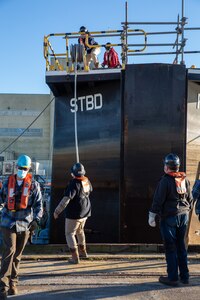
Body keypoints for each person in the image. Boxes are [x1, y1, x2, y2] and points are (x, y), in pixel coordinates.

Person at [0, 154, 43, 299]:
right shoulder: (7, 183)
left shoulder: (34, 185)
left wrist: (36, 220)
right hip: (8, 222)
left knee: (17, 255)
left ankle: (13, 283)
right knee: (9, 252)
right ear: (16, 167)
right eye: (20, 167)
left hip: (25, 224)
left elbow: (39, 206)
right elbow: (1, 199)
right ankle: (3, 286)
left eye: (24, 168)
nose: (22, 170)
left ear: (29, 169)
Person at [148, 153, 193, 287]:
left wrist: (152, 215)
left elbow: (158, 199)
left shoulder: (165, 181)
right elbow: (190, 199)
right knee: (181, 246)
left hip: (169, 217)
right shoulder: (185, 180)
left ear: (167, 167)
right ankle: (184, 276)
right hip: (183, 216)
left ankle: (173, 277)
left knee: (171, 247)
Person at [54, 162, 92, 264]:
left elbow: (66, 200)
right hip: (85, 212)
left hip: (75, 213)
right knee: (80, 231)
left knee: (69, 233)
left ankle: (75, 258)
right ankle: (83, 252)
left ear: (73, 173)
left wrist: (57, 211)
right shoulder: (86, 180)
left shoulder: (73, 183)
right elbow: (89, 191)